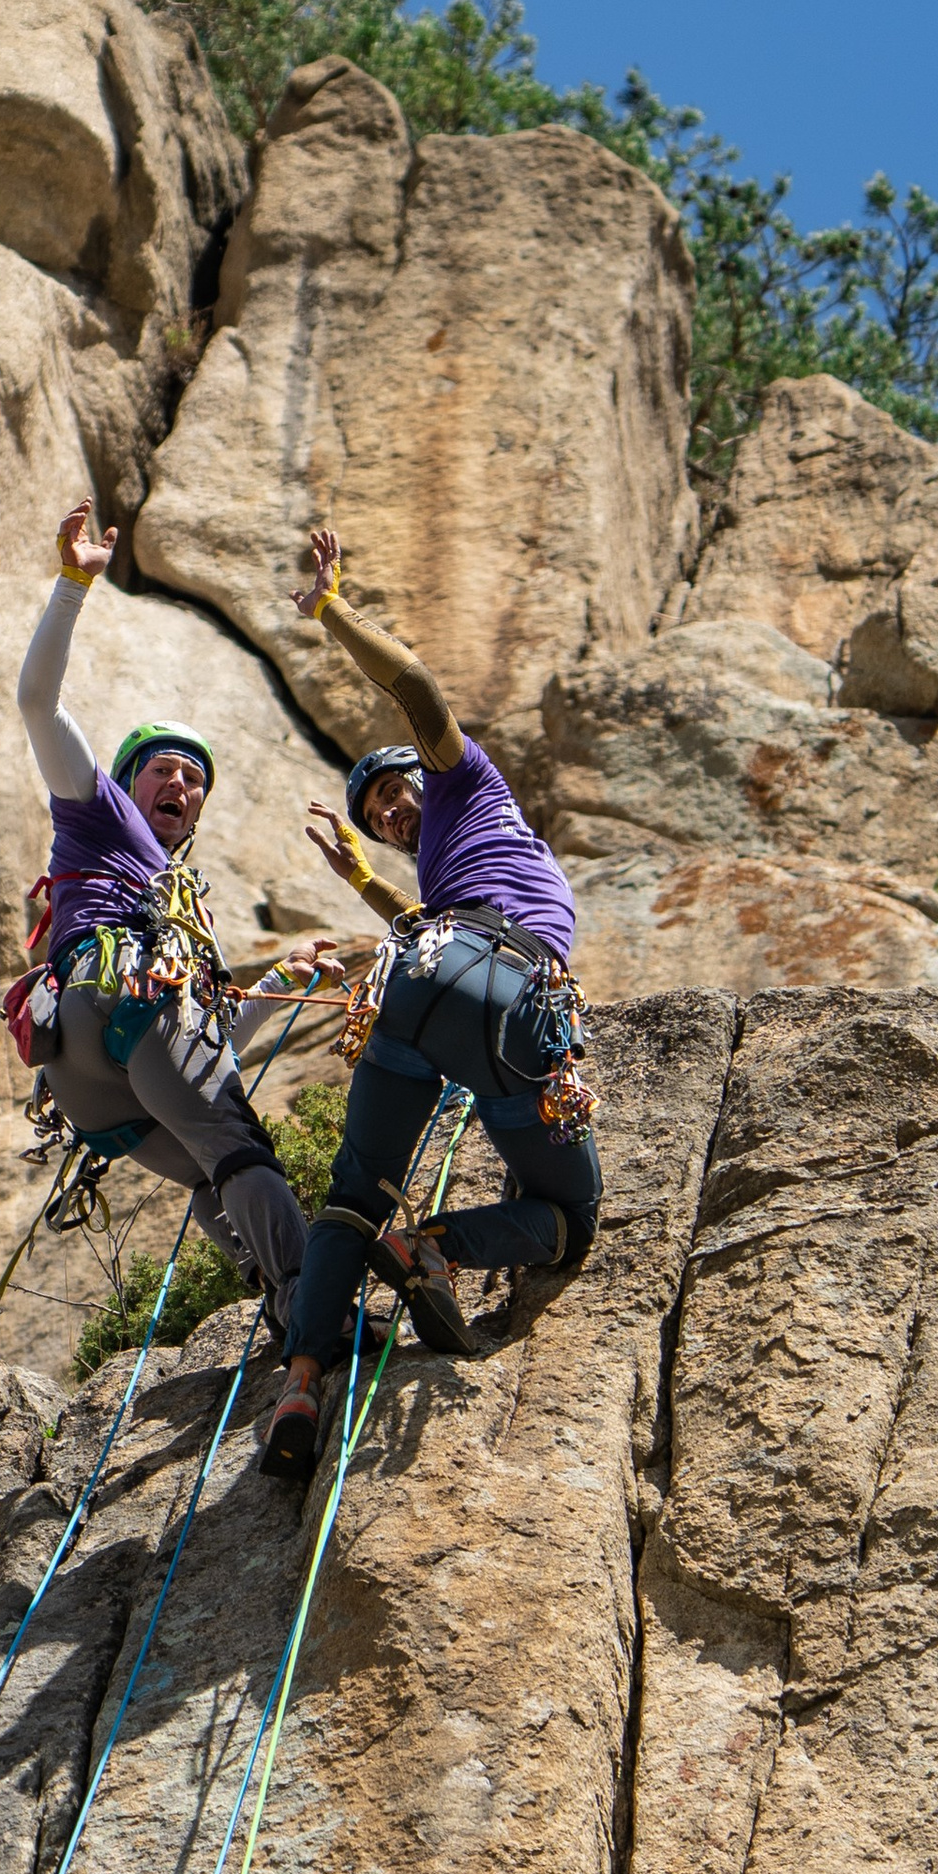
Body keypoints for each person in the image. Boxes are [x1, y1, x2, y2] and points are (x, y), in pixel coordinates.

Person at [260, 522, 601, 1480]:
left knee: (350, 1195)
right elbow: (414, 688)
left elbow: (417, 698)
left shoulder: (466, 787)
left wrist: (368, 880)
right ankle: (433, 1249)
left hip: (425, 981)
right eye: (378, 816)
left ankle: (301, 1379)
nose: (393, 811)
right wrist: (330, 608)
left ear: (429, 775)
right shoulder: (464, 821)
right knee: (569, 1216)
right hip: (491, 983)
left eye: (398, 793)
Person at [15, 502, 319, 1343]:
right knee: (240, 1148)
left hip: (96, 1084)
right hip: (124, 1014)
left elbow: (209, 1043)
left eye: (194, 781)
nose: (180, 787)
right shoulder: (101, 814)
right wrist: (74, 586)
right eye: (165, 771)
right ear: (127, 779)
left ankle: (274, 1297)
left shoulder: (183, 908)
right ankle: (312, 1305)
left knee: (209, 1171)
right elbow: (38, 704)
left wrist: (284, 987)